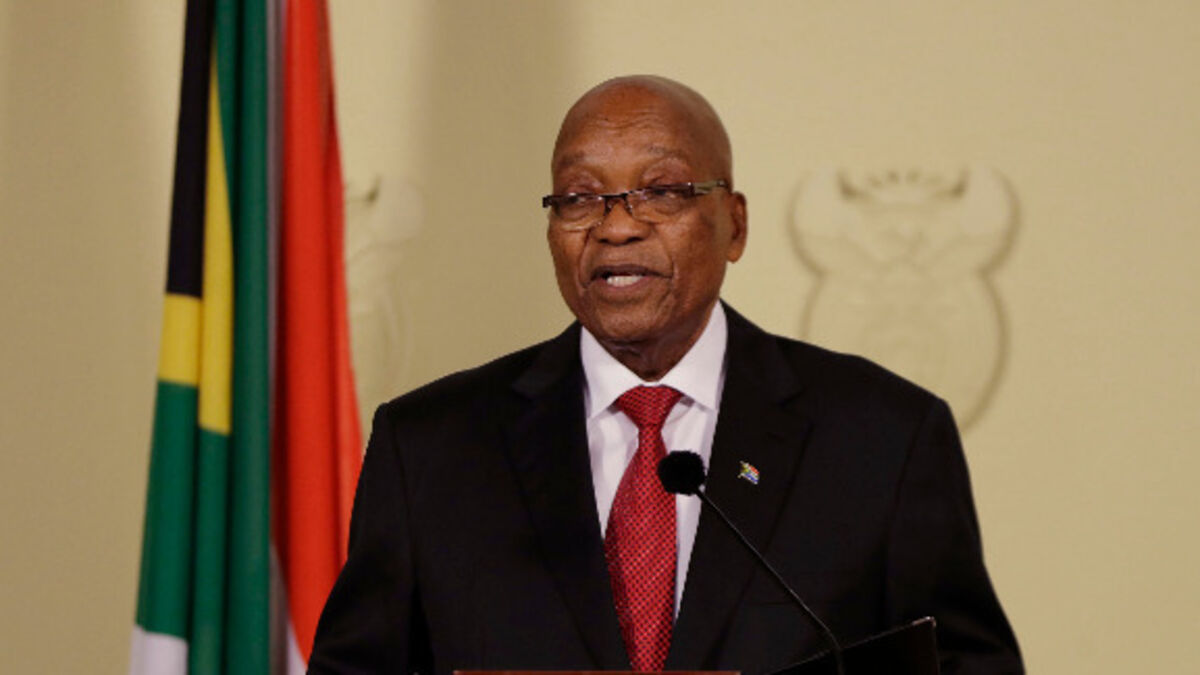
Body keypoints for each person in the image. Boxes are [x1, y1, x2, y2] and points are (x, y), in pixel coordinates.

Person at [308, 75, 1023, 674]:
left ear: (734, 224)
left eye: (663, 191)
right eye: (579, 196)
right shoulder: (428, 448)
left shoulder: (884, 439)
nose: (617, 225)